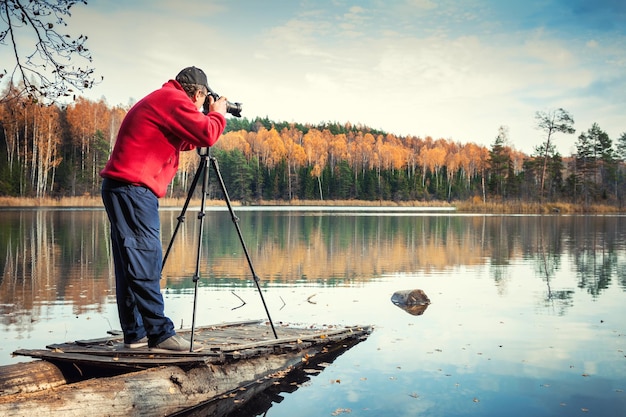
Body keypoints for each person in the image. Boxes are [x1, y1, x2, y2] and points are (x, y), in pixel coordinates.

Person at [100, 66, 228, 351]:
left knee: (130, 261)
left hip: (122, 187)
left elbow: (184, 140)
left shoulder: (164, 98)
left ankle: (135, 334)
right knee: (145, 257)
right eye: (203, 98)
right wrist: (216, 114)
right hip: (133, 188)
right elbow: (207, 135)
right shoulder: (173, 100)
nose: (202, 103)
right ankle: (160, 334)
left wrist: (206, 116)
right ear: (197, 94)